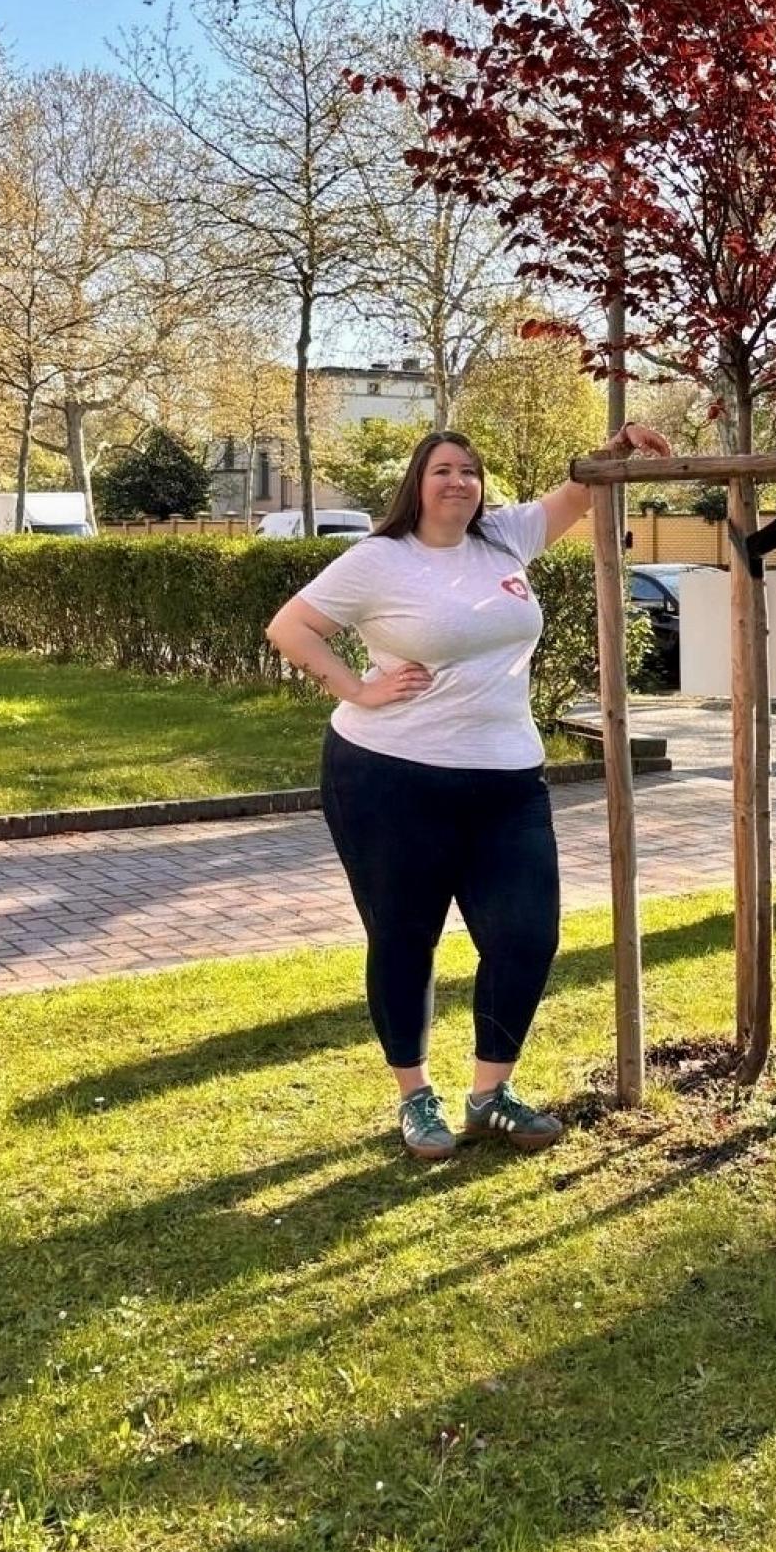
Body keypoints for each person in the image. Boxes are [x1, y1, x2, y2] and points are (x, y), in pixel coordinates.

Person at [265, 423, 671, 1160]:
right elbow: (291, 627)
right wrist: (358, 687)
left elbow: (577, 494)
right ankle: (415, 1098)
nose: (458, 481)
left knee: (525, 935)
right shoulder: (378, 559)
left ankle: (490, 1097)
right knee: (405, 936)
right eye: (443, 469)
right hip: (389, 776)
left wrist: (616, 451)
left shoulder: (504, 540)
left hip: (507, 777)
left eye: (470, 470)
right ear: (417, 483)